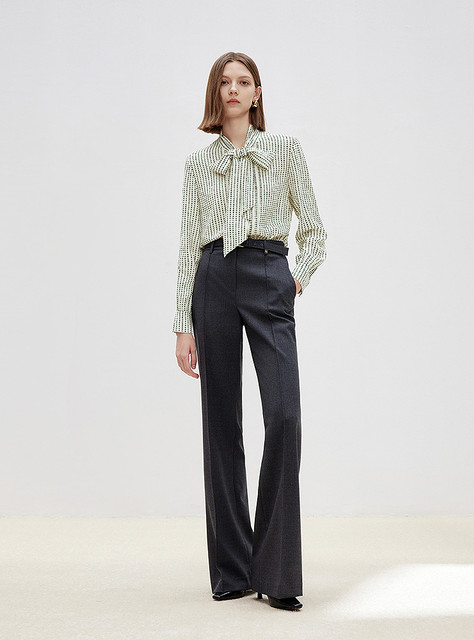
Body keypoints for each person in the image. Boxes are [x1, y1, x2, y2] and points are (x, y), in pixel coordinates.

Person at [172, 52, 327, 612]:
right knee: (221, 421)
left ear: (257, 93)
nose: (234, 89)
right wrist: (182, 324)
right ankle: (233, 570)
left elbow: (314, 231)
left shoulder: (284, 150)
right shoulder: (198, 165)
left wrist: (292, 281)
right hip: (213, 278)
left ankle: (277, 571)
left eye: (243, 82)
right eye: (225, 82)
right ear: (215, 94)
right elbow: (187, 245)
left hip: (268, 273)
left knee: (284, 415)